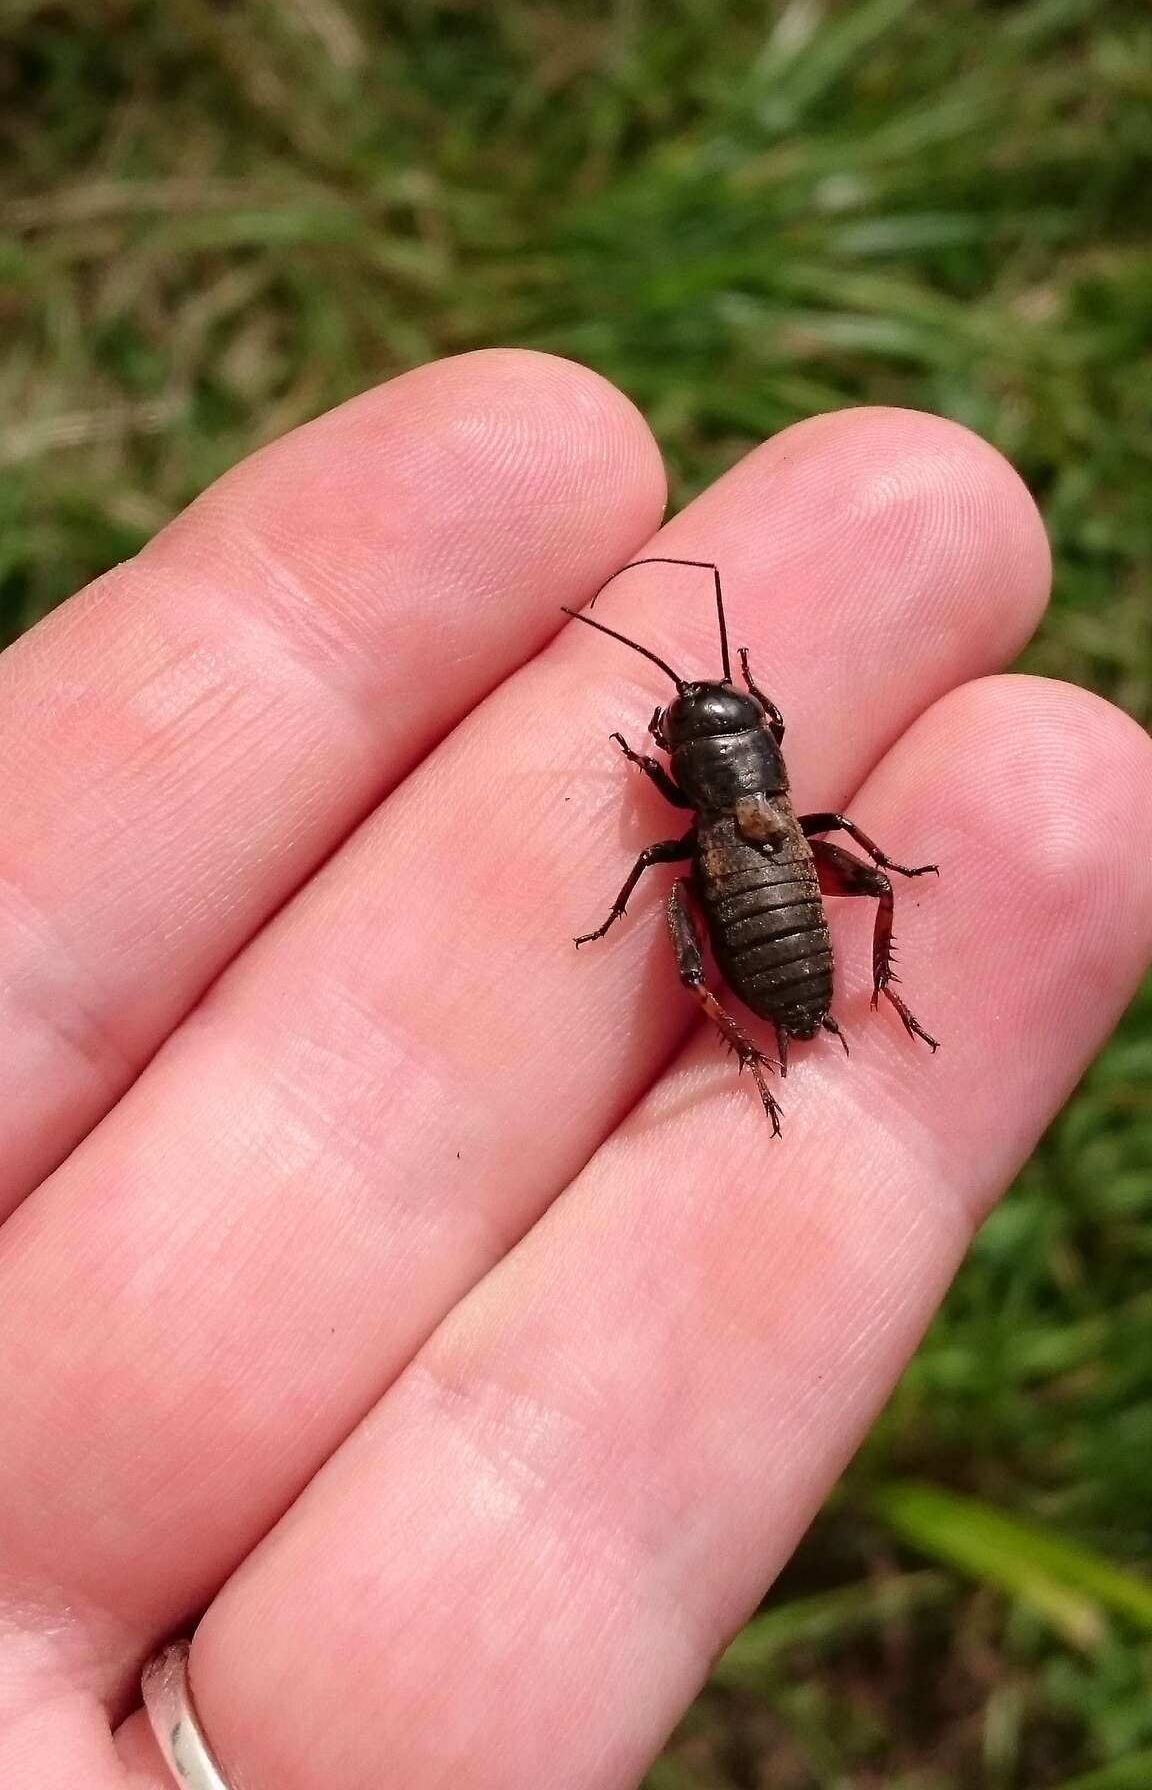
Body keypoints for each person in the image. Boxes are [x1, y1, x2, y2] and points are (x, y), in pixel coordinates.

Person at [0, 349, 1148, 1790]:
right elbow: (706, 830)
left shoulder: (696, 819)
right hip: (768, 908)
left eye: (711, 725)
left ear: (707, 764)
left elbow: (682, 820)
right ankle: (796, 1025)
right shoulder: (759, 817)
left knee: (763, 908)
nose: (713, 733)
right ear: (728, 762)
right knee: (773, 912)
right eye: (702, 725)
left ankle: (797, 1025)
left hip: (763, 922)